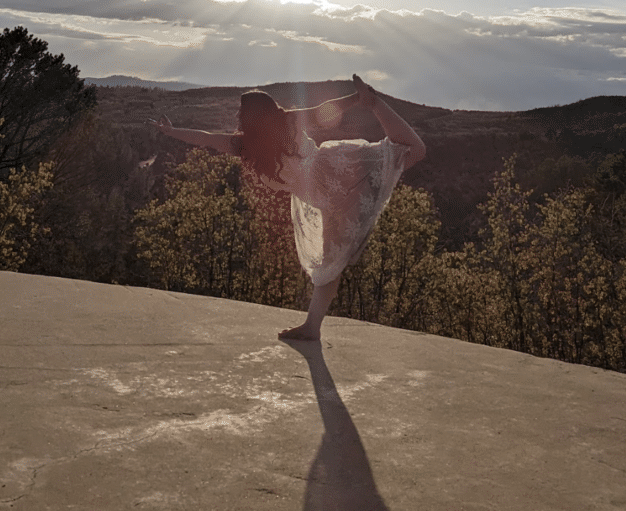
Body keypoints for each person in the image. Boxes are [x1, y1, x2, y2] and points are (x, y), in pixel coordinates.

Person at [150, 74, 427, 342]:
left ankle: (376, 104)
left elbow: (323, 110)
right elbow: (206, 137)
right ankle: (311, 327)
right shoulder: (247, 145)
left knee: (412, 150)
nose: (237, 118)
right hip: (326, 197)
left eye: (240, 113)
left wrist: (360, 99)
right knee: (331, 266)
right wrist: (172, 132)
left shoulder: (279, 127)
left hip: (334, 171)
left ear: (251, 117)